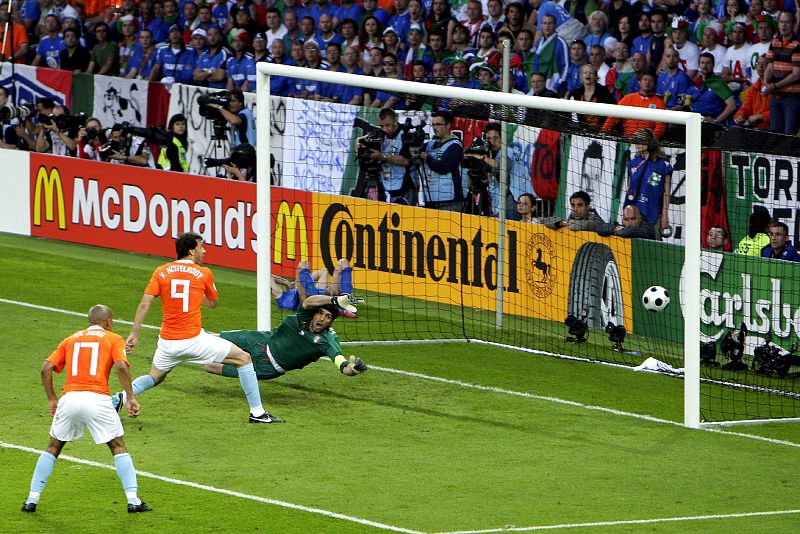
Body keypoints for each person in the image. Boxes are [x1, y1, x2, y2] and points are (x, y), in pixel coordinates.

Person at [118, 232, 279, 424]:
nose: (204, 250)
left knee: (154, 377)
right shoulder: (204, 273)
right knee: (243, 358)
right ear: (192, 250)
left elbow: (145, 303)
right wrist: (195, 294)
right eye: (201, 246)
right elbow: (213, 303)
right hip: (193, 340)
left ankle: (117, 399)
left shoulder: (160, 271)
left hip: (167, 343)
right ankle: (258, 413)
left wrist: (134, 333)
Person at [21, 305, 151, 514]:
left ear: (90, 320)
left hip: (69, 398)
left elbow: (45, 368)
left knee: (53, 446)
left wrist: (52, 398)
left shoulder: (70, 339)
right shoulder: (113, 338)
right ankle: (133, 501)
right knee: (117, 446)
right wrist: (130, 398)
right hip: (97, 399)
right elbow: (120, 367)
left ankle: (31, 500)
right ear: (108, 321)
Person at [359, 108, 415, 204]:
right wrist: (360, 146)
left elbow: (407, 161)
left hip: (405, 186)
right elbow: (361, 140)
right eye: (381, 125)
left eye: (387, 125)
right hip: (386, 184)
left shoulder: (406, 135)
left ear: (395, 120)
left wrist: (382, 156)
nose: (385, 129)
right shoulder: (380, 134)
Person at [623, 128, 672, 238]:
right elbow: (630, 189)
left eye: (641, 140)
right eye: (636, 141)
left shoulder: (663, 165)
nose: (638, 144)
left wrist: (664, 214)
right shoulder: (633, 163)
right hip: (634, 214)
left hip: (653, 214)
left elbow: (666, 193)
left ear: (650, 142)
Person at [762, 11, 800, 135]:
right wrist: (766, 82)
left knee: (789, 134)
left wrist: (775, 86)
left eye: (787, 22)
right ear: (778, 24)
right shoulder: (774, 42)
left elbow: (796, 74)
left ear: (793, 24)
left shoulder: (797, 44)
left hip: (792, 98)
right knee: (775, 133)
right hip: (776, 96)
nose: (784, 25)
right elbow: (770, 66)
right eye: (781, 22)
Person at [273, 258, 355, 315]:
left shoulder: (307, 285)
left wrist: (301, 281)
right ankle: (331, 304)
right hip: (306, 301)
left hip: (317, 293)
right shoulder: (281, 295)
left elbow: (323, 271)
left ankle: (345, 299)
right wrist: (286, 282)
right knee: (303, 264)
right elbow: (266, 276)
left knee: (343, 262)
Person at [419, 111, 464, 211]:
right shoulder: (430, 144)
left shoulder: (455, 145)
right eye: (433, 124)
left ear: (448, 125)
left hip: (450, 201)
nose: (435, 128)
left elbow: (443, 168)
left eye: (438, 124)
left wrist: (427, 157)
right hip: (431, 198)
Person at [601, 72, 667, 138]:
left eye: (650, 80)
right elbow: (613, 117)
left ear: (654, 84)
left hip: (647, 143)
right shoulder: (628, 98)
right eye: (645, 79)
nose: (647, 82)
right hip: (627, 139)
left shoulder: (659, 103)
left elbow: (660, 127)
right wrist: (603, 132)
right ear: (639, 82)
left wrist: (651, 139)